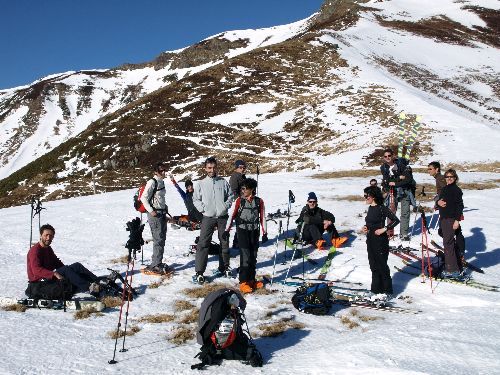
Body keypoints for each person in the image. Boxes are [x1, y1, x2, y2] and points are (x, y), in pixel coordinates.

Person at [26, 224, 100, 299]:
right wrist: (55, 274)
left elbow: (57, 263)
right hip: (39, 283)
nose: (48, 238)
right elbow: (36, 270)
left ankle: (99, 281)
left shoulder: (48, 249)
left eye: (51, 236)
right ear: (41, 235)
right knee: (66, 270)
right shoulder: (35, 251)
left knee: (76, 266)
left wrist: (70, 271)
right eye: (46, 235)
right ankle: (88, 288)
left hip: (48, 278)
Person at [192, 157, 233, 284]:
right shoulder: (201, 183)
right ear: (205, 168)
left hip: (222, 217)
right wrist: (203, 209)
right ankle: (199, 272)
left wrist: (225, 206)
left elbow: (230, 196)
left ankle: (224, 267)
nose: (212, 170)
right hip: (208, 217)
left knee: (224, 242)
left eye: (214, 167)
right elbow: (196, 199)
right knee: (203, 244)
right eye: (209, 168)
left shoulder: (223, 182)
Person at [224, 178, 268, 293]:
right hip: (242, 231)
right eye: (242, 188)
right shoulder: (239, 201)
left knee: (253, 256)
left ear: (252, 189)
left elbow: (262, 217)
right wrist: (226, 230)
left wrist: (264, 233)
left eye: (245, 188)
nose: (243, 190)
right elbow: (231, 216)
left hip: (254, 231)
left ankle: (252, 280)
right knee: (245, 256)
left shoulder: (259, 201)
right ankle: (243, 282)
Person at [361, 186, 400, 298]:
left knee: (382, 265)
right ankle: (375, 290)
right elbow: (370, 223)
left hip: (380, 241)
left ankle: (387, 291)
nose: (365, 198)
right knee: (373, 265)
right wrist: (366, 227)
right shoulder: (370, 208)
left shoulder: (382, 208)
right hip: (370, 239)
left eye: (366, 196)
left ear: (372, 196)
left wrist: (385, 228)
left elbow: (396, 220)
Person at [140, 162, 170, 275]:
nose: (163, 172)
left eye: (164, 170)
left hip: (161, 213)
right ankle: (155, 265)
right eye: (161, 170)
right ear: (156, 172)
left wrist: (165, 210)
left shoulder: (161, 182)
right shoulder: (152, 182)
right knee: (158, 239)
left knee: (161, 239)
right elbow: (144, 197)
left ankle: (158, 262)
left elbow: (160, 198)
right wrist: (151, 210)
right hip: (155, 214)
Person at [380, 148, 416, 240]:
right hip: (392, 192)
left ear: (393, 156)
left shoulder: (401, 165)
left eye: (389, 156)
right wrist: (399, 177)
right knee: (391, 213)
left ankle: (404, 234)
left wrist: (395, 182)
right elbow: (386, 181)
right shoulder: (383, 167)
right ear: (384, 158)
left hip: (405, 191)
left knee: (405, 212)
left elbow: (408, 179)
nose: (387, 157)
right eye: (385, 156)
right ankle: (389, 232)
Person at [437, 169, 465, 278]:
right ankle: (455, 262)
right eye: (447, 177)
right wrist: (438, 202)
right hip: (444, 218)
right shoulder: (445, 189)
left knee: (448, 243)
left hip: (451, 219)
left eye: (451, 177)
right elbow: (440, 201)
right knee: (449, 242)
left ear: (455, 178)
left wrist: (457, 221)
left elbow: (460, 206)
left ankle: (452, 270)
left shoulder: (456, 190)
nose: (449, 178)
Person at [229, 160, 247, 248]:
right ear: (236, 167)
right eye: (240, 167)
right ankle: (236, 243)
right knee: (240, 223)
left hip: (246, 202)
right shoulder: (234, 177)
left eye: (244, 167)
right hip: (239, 203)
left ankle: (241, 241)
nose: (242, 169)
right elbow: (233, 191)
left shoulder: (242, 176)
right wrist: (239, 201)